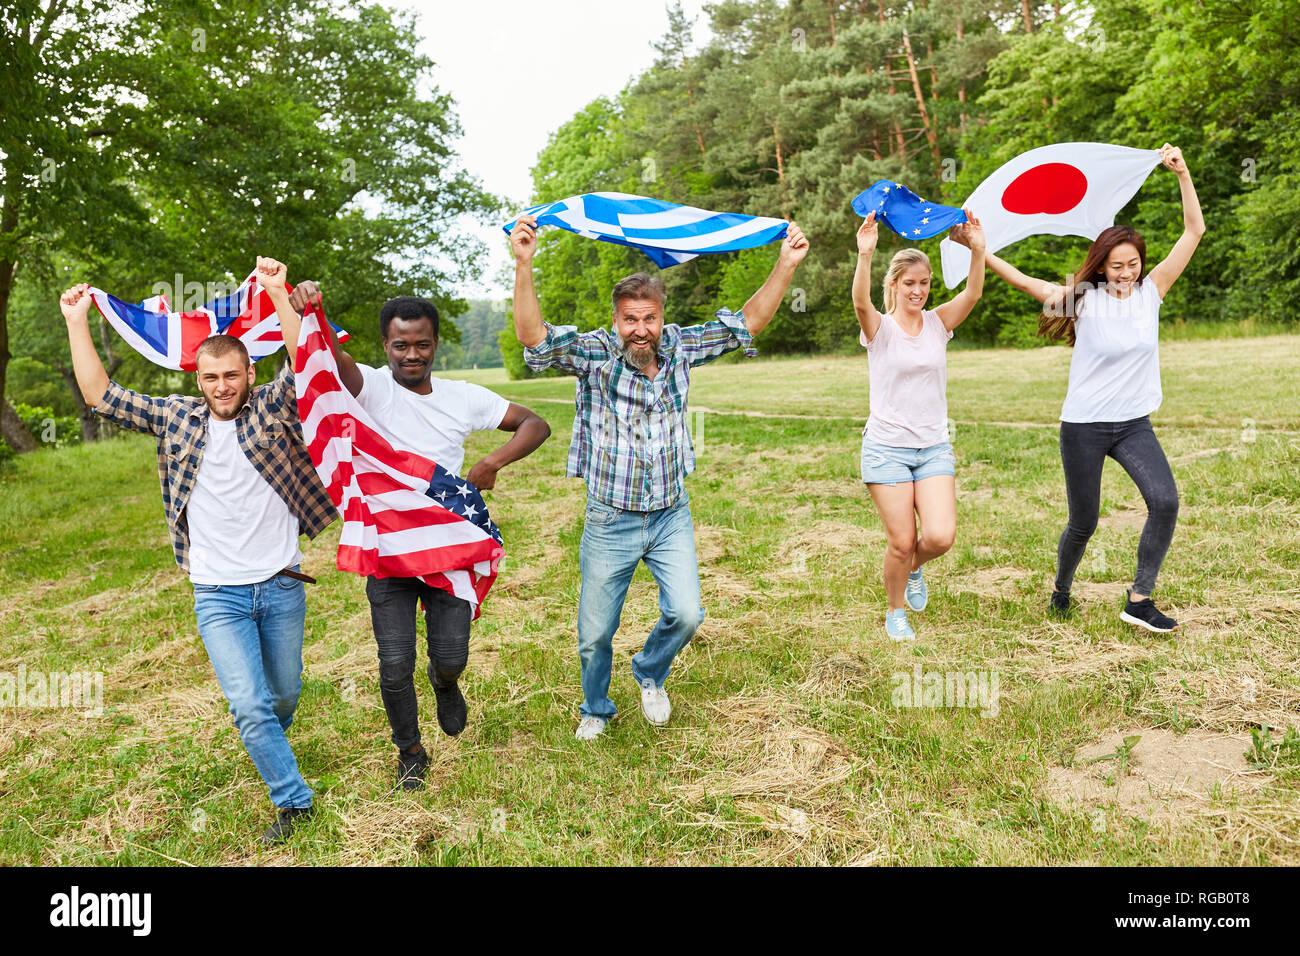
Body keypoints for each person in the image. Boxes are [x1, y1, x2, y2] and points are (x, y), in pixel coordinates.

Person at [58, 266, 338, 847]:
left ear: (248, 373)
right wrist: (76, 320)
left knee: (283, 697)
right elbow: (99, 396)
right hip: (218, 593)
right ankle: (294, 799)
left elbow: (308, 362)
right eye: (210, 377)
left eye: (231, 375)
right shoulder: (175, 419)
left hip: (283, 584)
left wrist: (282, 293)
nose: (221, 386)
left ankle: (269, 744)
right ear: (198, 377)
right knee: (250, 704)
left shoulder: (272, 409)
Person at [509, 212, 810, 740]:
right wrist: (524, 264)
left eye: (648, 318)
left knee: (688, 614)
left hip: (670, 512)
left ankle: (650, 671)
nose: (640, 330)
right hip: (611, 519)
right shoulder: (596, 355)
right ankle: (596, 707)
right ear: (616, 319)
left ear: (661, 316)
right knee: (594, 633)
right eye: (630, 319)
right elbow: (534, 338)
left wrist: (785, 264)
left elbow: (748, 323)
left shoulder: (680, 348)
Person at [267, 262, 550, 789]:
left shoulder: (462, 396)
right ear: (386, 345)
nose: (411, 354)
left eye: (421, 344)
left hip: (447, 548)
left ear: (435, 343)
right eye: (400, 346)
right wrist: (304, 306)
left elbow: (537, 423)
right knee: (394, 662)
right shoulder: (370, 388)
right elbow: (323, 357)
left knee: (451, 656)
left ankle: (445, 685)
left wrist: (491, 463)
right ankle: (410, 752)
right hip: (388, 547)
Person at [949, 143, 1205, 632]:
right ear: (1101, 265)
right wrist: (980, 251)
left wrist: (1182, 175)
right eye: (1116, 265)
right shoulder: (1082, 299)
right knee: (1084, 520)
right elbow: (1027, 283)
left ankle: (1139, 600)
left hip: (1133, 424)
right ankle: (1061, 591)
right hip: (1084, 426)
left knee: (1165, 501)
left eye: (1133, 264)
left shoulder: (1153, 291)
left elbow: (1194, 230)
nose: (1126, 273)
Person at [852, 210, 986, 640]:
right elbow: (859, 302)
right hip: (886, 448)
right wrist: (865, 255)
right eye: (910, 283)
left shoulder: (937, 323)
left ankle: (912, 570)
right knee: (901, 540)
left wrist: (978, 251)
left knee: (941, 536)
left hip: (932, 447)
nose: (919, 290)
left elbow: (973, 294)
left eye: (925, 283)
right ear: (894, 285)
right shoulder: (881, 329)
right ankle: (895, 612)